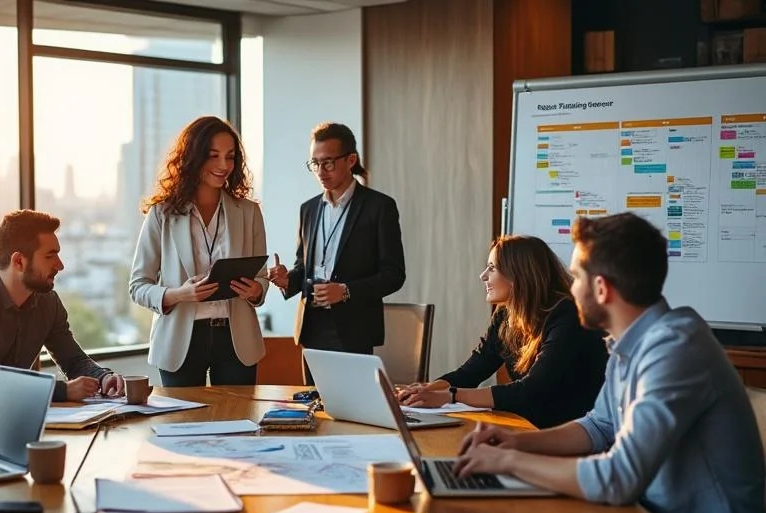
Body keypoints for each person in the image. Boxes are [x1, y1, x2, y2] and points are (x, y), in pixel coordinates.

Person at [454, 213, 766, 513]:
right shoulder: (630, 342)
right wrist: (514, 442)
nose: (569, 289)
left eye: (576, 278)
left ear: (601, 289)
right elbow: (599, 427)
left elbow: (619, 478)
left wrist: (507, 463)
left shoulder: (676, 349)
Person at [398, 235, 608, 428]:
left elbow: (530, 391)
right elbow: (470, 373)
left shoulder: (568, 316)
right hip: (529, 426)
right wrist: (426, 391)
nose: (483, 276)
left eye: (492, 267)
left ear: (519, 274)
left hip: (569, 433)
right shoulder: (505, 316)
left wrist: (449, 396)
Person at [0, 210, 125, 406]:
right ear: (19, 261)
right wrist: (63, 390)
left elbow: (73, 361)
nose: (60, 265)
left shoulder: (48, 302)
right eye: (50, 256)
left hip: (12, 411)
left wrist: (103, 378)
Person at [130, 116, 268, 386]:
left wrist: (256, 291)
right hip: (179, 342)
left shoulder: (249, 212)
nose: (223, 166)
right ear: (193, 157)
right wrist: (178, 294)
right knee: (183, 426)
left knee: (237, 425)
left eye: (230, 157)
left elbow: (261, 277)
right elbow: (138, 286)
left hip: (236, 340)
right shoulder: (163, 214)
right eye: (213, 155)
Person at [267, 122, 405, 385]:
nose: (321, 171)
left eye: (328, 163)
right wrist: (289, 280)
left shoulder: (379, 207)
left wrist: (345, 290)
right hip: (312, 327)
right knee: (315, 412)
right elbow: (304, 267)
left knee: (354, 413)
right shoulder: (308, 209)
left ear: (351, 160)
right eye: (315, 164)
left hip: (354, 330)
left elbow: (394, 275)